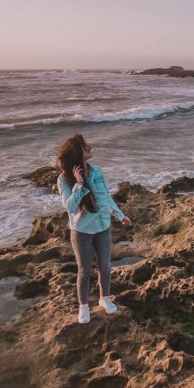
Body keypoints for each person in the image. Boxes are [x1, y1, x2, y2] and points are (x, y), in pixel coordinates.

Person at [56, 134, 132, 324]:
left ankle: (104, 298)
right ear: (77, 152)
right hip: (81, 230)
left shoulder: (97, 171)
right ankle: (83, 306)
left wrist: (119, 215)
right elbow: (71, 207)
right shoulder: (64, 179)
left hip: (103, 225)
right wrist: (79, 184)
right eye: (84, 146)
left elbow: (105, 195)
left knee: (105, 266)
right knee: (84, 270)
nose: (89, 147)